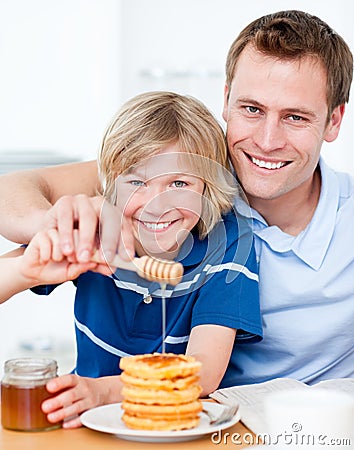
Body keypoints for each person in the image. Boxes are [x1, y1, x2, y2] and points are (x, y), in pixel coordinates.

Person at [0, 9, 353, 384]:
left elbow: (201, 374)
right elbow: (15, 190)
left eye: (295, 117)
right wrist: (56, 232)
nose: (267, 142)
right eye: (252, 109)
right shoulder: (176, 172)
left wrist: (103, 392)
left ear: (333, 121)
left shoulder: (220, 227)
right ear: (227, 100)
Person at [0, 91, 262, 428]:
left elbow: (204, 371)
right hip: (84, 424)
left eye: (179, 183)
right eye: (137, 182)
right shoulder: (95, 231)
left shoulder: (228, 246)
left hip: (176, 428)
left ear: (206, 188)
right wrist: (27, 271)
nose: (156, 205)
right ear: (111, 185)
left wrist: (103, 392)